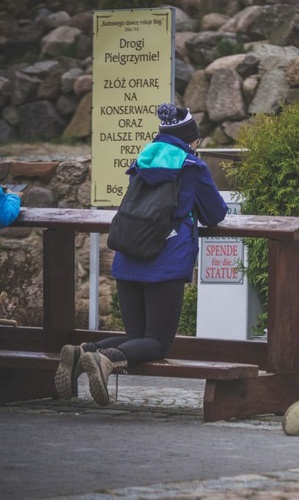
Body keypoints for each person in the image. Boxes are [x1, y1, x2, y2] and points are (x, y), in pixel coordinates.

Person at [54, 103, 228, 405]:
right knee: (158, 344)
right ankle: (105, 360)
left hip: (127, 259)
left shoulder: (143, 162)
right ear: (191, 140)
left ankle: (83, 351)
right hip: (165, 264)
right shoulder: (192, 166)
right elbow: (215, 213)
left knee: (138, 338)